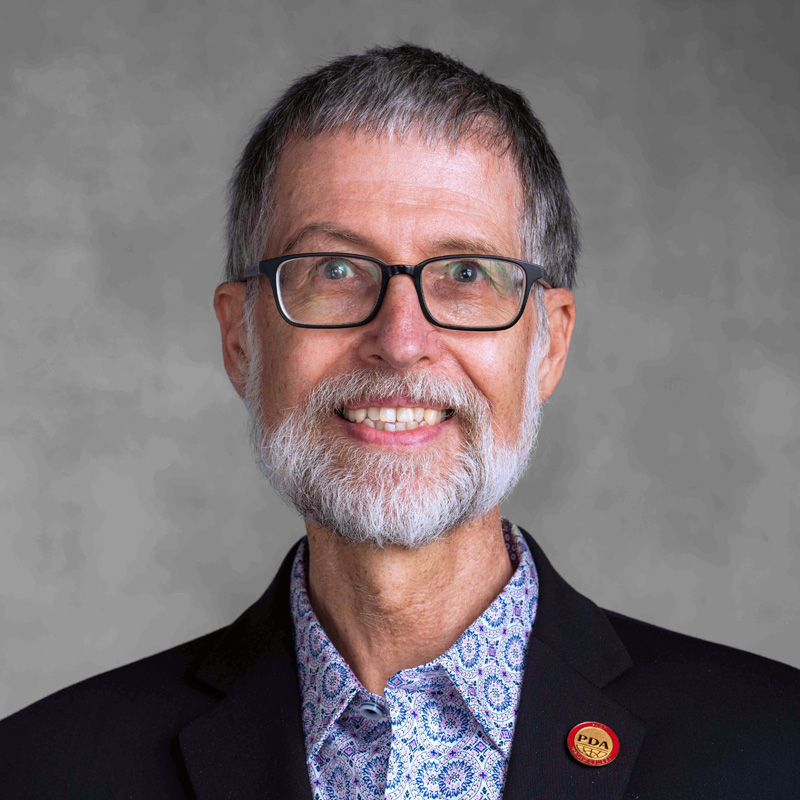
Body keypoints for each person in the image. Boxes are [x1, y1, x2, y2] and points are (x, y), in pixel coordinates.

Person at [1, 44, 798, 800]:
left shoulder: (775, 748)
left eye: (465, 274)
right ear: (241, 338)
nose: (401, 341)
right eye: (335, 270)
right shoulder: (42, 771)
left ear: (548, 344)